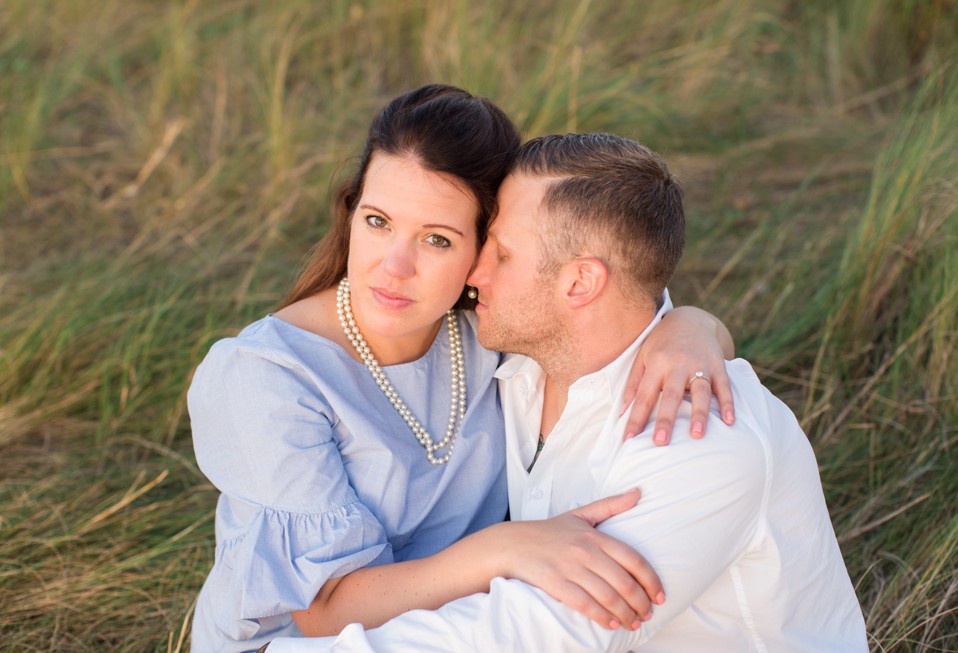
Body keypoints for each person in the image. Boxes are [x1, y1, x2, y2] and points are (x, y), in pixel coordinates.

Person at [264, 133, 868, 652]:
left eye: (500, 254)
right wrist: (696, 323)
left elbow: (534, 635)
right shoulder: (520, 364)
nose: (474, 276)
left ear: (580, 281)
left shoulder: (700, 439)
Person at [189, 86, 737, 653]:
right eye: (377, 221)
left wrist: (691, 327)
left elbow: (620, 309)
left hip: (457, 631)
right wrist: (504, 548)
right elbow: (325, 612)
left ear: (485, 247)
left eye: (436, 239)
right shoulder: (266, 377)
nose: (394, 267)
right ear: (351, 212)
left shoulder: (490, 332)